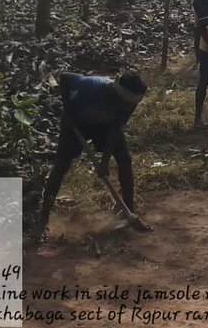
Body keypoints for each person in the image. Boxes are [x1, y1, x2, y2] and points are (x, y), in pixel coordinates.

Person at [37, 71, 149, 235]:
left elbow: (115, 128)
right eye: (126, 102)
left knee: (125, 160)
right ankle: (43, 219)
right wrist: (67, 110)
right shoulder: (92, 86)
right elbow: (65, 77)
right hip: (75, 124)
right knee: (61, 166)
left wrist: (104, 160)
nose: (128, 107)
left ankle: (129, 212)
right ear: (118, 94)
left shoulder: (131, 102)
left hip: (104, 127)